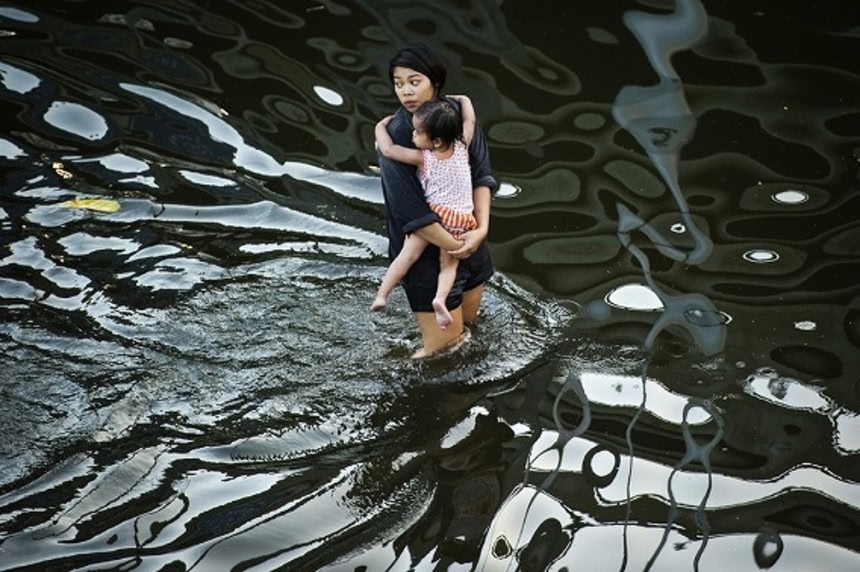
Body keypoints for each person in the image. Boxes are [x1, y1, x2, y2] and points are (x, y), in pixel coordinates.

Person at [376, 42, 496, 358]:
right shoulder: (400, 134)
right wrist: (458, 245)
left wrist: (481, 231)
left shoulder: (454, 119)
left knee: (468, 334)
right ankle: (394, 373)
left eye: (414, 81)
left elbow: (481, 176)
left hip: (470, 243)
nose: (406, 91)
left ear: (435, 81)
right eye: (398, 83)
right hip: (426, 258)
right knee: (443, 351)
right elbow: (410, 213)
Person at [371, 95, 478, 331]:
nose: (413, 135)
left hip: (437, 216)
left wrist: (380, 126)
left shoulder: (425, 158)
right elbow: (470, 121)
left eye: (418, 133)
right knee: (448, 266)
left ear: (436, 141)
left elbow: (389, 150)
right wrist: (465, 100)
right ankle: (440, 299)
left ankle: (382, 295)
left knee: (407, 256)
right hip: (462, 219)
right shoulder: (462, 146)